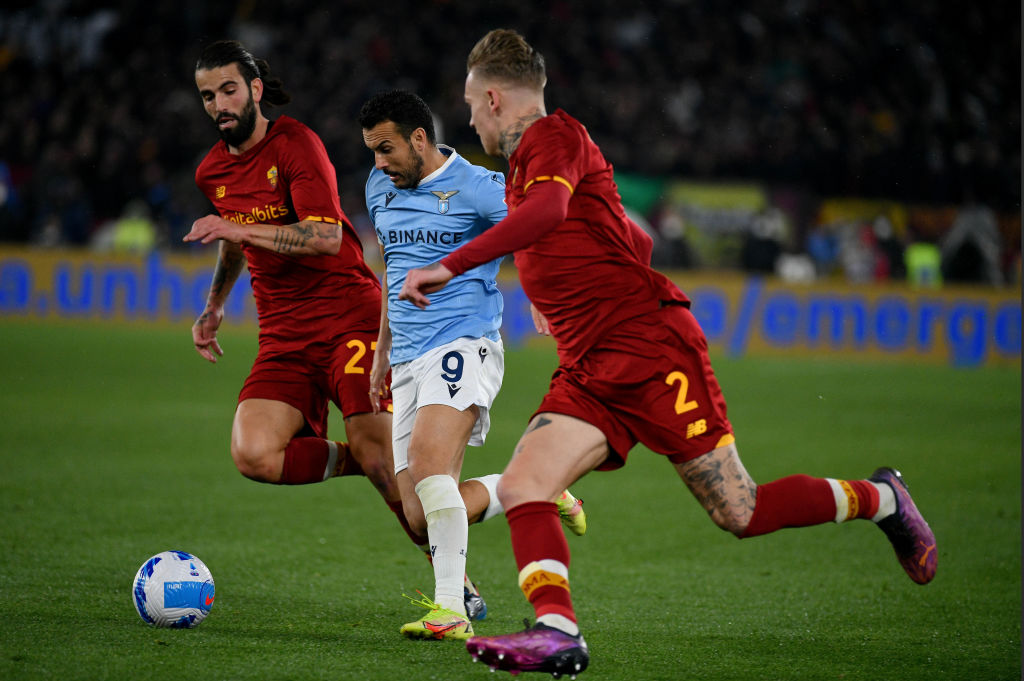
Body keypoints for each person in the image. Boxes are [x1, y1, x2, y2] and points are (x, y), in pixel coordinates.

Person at [398, 29, 938, 677]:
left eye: (469, 104)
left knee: (741, 511)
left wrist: (450, 265)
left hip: (652, 352)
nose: (467, 119)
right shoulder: (527, 165)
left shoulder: (553, 136)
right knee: (523, 485)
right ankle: (556, 631)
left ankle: (882, 498)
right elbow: (635, 241)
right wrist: (556, 289)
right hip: (592, 366)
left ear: (492, 98)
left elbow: (548, 213)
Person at [183, 40, 485, 618]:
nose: (219, 104)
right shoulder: (211, 171)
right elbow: (235, 238)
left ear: (255, 89)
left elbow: (324, 236)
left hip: (349, 316)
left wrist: (237, 229)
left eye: (228, 89)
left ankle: (456, 584)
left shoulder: (296, 144)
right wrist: (214, 304)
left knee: (385, 464)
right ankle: (357, 458)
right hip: (283, 334)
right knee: (254, 454)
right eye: (207, 95)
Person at [358, 89, 586, 641]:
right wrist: (383, 348)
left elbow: (537, 232)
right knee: (420, 513)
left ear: (419, 139)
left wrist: (543, 294)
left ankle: (450, 612)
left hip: (464, 343)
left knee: (430, 465)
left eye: (386, 149)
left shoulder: (480, 186)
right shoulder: (379, 187)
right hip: (407, 357)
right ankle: (535, 486)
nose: (379, 164)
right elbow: (394, 268)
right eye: (372, 152)